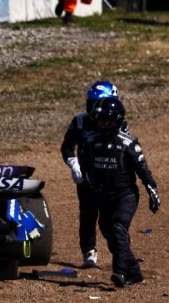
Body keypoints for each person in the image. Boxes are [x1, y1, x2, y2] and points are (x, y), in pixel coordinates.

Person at [80, 97, 160, 287]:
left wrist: (152, 191)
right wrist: (91, 184)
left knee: (118, 227)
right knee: (110, 234)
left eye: (105, 120)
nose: (102, 124)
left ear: (116, 120)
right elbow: (85, 167)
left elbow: (143, 170)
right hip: (104, 197)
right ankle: (135, 272)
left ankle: (120, 273)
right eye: (99, 120)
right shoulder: (91, 142)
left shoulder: (128, 143)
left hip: (126, 196)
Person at [61, 80, 122, 268]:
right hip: (85, 177)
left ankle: (120, 252)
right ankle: (89, 251)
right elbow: (67, 146)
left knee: (109, 219)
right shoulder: (80, 122)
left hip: (109, 179)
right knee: (87, 214)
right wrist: (73, 163)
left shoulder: (119, 124)